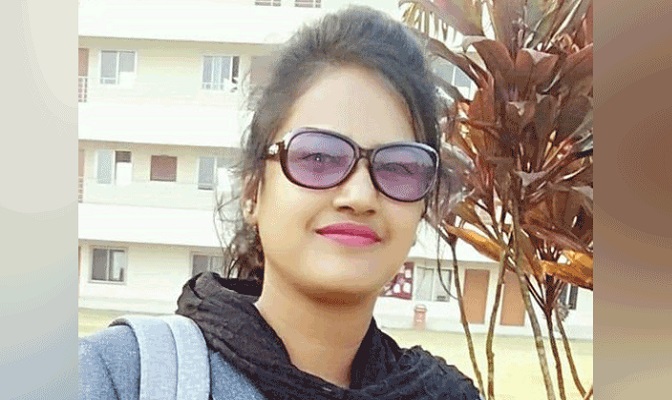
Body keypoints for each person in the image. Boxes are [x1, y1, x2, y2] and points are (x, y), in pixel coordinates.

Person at [79, 5, 481, 400]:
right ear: (253, 192)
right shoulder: (119, 375)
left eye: (398, 166)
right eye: (319, 157)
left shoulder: (445, 395)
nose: (360, 196)